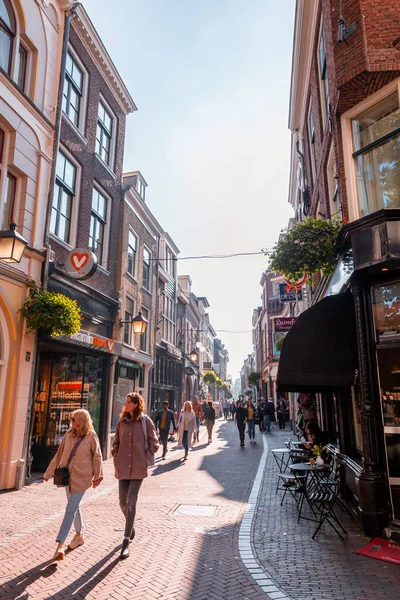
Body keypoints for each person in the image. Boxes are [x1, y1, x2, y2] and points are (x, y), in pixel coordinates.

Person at [43, 409, 103, 561]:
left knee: (70, 509)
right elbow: (59, 454)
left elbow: (97, 457)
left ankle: (60, 544)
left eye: (74, 419)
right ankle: (79, 535)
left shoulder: (91, 436)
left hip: (82, 479)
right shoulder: (69, 435)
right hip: (67, 477)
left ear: (81, 420)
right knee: (74, 506)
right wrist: (48, 473)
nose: (71, 422)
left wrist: (98, 476)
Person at [112, 392, 159, 559]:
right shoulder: (121, 422)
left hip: (138, 469)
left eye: (129, 401)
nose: (126, 404)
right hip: (123, 467)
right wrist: (116, 456)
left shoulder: (145, 422)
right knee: (122, 503)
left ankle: (125, 541)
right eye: (125, 401)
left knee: (131, 503)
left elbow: (154, 443)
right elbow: (116, 442)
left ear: (137, 404)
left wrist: (144, 458)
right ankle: (130, 528)